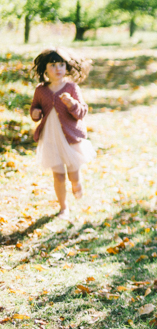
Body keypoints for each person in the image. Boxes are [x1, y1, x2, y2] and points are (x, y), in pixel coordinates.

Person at [29, 48, 95, 220]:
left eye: (61, 64)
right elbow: (35, 107)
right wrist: (35, 113)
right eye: (53, 65)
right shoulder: (41, 90)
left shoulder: (72, 87)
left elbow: (81, 113)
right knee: (58, 176)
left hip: (70, 138)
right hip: (50, 138)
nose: (58, 68)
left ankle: (77, 183)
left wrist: (72, 104)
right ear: (45, 69)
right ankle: (63, 207)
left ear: (66, 67)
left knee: (73, 174)